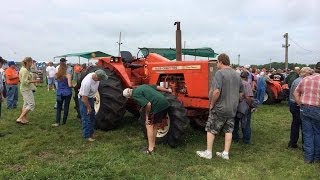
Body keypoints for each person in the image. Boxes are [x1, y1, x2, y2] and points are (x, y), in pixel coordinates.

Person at [196, 53, 243, 160]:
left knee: (211, 128)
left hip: (220, 107)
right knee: (228, 130)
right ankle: (225, 153)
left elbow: (216, 91)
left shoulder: (219, 73)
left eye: (217, 62)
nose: (216, 64)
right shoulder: (237, 74)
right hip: (232, 108)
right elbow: (241, 93)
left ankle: (208, 152)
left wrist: (212, 104)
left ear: (221, 62)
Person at [123, 85, 172, 154]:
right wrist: (168, 90)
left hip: (157, 106)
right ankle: (153, 146)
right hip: (165, 103)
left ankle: (150, 149)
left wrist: (147, 116)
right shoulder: (143, 86)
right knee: (154, 125)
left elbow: (148, 104)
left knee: (148, 125)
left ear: (129, 97)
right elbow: (157, 87)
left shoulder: (135, 95)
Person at [293, 62, 320, 164]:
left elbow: (295, 92)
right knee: (317, 133)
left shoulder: (306, 79)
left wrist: (300, 103)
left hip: (305, 108)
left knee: (307, 133)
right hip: (317, 108)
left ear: (314, 68)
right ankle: (317, 158)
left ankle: (308, 158)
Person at [78, 69, 108, 141]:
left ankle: (91, 133)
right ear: (97, 77)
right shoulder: (87, 82)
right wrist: (88, 107)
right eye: (101, 79)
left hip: (90, 98)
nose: (101, 80)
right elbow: (84, 98)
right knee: (86, 117)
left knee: (92, 117)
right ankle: (87, 136)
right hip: (84, 99)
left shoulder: (96, 77)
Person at [288, 67, 312, 149]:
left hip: (293, 103)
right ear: (306, 73)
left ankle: (292, 143)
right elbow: (298, 95)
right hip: (297, 104)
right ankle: (304, 144)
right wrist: (301, 104)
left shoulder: (297, 80)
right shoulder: (302, 81)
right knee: (303, 125)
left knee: (295, 124)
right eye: (310, 73)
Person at [16, 57, 40, 124]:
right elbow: (24, 82)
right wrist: (35, 81)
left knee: (26, 104)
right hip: (26, 89)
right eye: (31, 62)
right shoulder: (25, 70)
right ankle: (20, 118)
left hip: (25, 89)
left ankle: (23, 119)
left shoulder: (24, 69)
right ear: (28, 62)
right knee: (31, 104)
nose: (32, 63)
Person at [233, 71, 254, 144]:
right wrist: (251, 106)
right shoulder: (246, 84)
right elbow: (248, 97)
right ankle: (246, 140)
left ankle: (235, 138)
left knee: (235, 123)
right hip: (244, 107)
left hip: (235, 106)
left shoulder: (235, 83)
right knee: (245, 123)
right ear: (247, 77)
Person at [52, 62, 73, 127]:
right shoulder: (68, 75)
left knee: (59, 108)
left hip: (59, 93)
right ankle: (64, 121)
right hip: (67, 93)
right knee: (66, 107)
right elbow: (69, 85)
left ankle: (57, 122)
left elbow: (55, 82)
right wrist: (73, 85)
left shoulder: (57, 75)